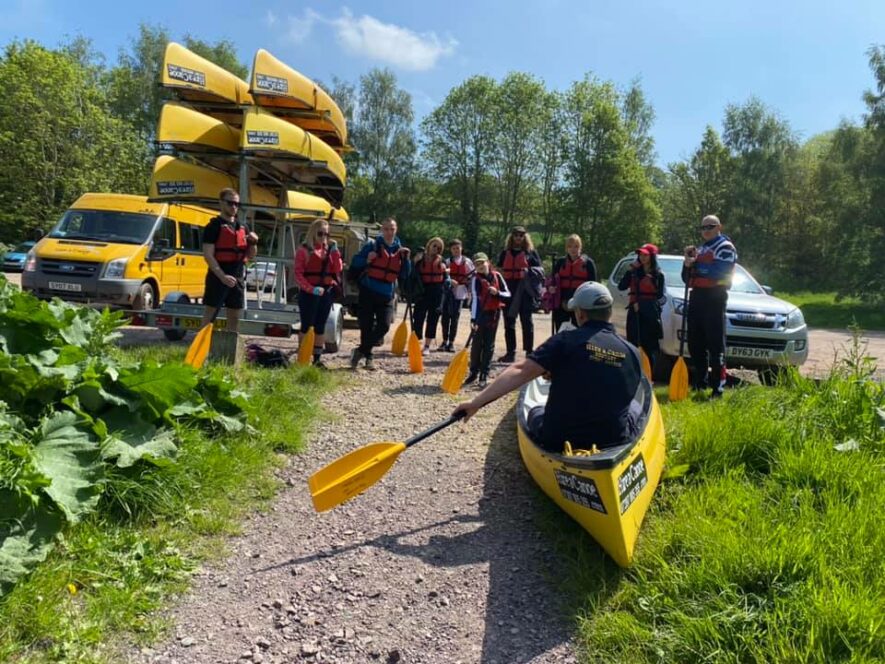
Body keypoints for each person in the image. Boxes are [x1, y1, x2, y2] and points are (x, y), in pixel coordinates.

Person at [454, 281, 643, 452]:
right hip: (612, 439)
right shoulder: (632, 351)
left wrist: (475, 403)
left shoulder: (564, 341)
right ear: (609, 312)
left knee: (536, 411)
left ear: (580, 314)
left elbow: (520, 371)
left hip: (558, 439)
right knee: (634, 406)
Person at [682, 215, 737, 397]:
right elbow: (687, 278)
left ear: (719, 226)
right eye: (703, 227)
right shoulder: (701, 249)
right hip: (697, 297)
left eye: (710, 226)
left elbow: (719, 272)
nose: (706, 230)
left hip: (714, 298)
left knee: (715, 345)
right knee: (695, 343)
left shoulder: (725, 247)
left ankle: (717, 388)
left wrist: (696, 264)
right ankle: (700, 382)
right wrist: (687, 263)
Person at [349, 217, 411, 370]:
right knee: (366, 326)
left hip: (386, 293)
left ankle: (359, 351)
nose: (389, 232)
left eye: (392, 229)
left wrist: (407, 260)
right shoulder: (372, 246)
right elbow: (355, 262)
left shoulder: (401, 251)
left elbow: (405, 274)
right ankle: (368, 357)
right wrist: (367, 260)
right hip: (368, 290)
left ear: (396, 230)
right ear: (382, 230)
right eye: (386, 229)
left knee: (384, 326)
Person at [201, 188, 258, 333]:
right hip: (218, 276)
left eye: (237, 204)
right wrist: (222, 276)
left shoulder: (244, 228)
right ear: (221, 203)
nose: (234, 207)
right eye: (230, 203)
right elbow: (208, 255)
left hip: (237, 277)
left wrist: (253, 242)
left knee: (234, 316)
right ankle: (203, 350)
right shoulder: (213, 226)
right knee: (210, 314)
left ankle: (229, 350)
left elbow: (251, 255)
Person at [293, 218, 342, 368]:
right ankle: (303, 358)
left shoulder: (329, 251)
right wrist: (311, 289)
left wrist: (335, 252)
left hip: (325, 293)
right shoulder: (303, 251)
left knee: (320, 326)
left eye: (326, 234)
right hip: (309, 294)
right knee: (307, 326)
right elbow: (298, 274)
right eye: (320, 234)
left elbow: (337, 270)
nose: (324, 237)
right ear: (313, 233)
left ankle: (317, 360)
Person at [617, 243, 665, 375]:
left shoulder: (658, 275)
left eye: (645, 255)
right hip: (634, 311)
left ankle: (649, 375)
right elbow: (621, 286)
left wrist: (643, 305)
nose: (642, 257)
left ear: (652, 257)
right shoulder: (634, 272)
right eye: (640, 255)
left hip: (650, 313)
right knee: (633, 343)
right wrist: (630, 270)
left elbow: (659, 296)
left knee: (650, 346)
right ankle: (633, 373)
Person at [465, 253, 510, 388]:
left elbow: (508, 294)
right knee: (477, 345)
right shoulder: (475, 280)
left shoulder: (497, 276)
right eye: (476, 264)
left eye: (482, 263)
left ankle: (484, 374)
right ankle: (474, 372)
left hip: (494, 315)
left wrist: (497, 293)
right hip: (480, 315)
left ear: (488, 263)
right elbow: (474, 301)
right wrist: (473, 319)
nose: (479, 266)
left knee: (489, 346)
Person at [497, 226, 541, 363]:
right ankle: (510, 352)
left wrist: (528, 272)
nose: (518, 238)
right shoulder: (505, 253)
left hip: (525, 291)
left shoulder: (531, 253)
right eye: (516, 235)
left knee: (526, 322)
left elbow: (540, 272)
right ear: (512, 237)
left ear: (524, 237)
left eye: (521, 235)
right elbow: (498, 271)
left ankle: (529, 352)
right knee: (509, 322)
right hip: (509, 291)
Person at [550, 234, 597, 331]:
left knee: (579, 330)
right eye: (570, 246)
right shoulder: (560, 263)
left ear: (580, 248)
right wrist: (551, 287)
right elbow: (552, 280)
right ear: (567, 248)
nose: (573, 249)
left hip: (580, 303)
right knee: (561, 330)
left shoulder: (588, 263)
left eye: (576, 246)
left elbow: (593, 285)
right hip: (562, 302)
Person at [411, 236, 449, 355]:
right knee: (418, 317)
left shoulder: (442, 261)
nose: (436, 249)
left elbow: (446, 278)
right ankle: (416, 343)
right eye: (434, 245)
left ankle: (427, 346)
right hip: (422, 291)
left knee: (433, 318)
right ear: (429, 245)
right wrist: (413, 262)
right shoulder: (420, 259)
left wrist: (448, 279)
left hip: (437, 291)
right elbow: (412, 275)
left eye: (439, 247)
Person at [440, 239, 474, 351]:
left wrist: (470, 292)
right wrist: (449, 280)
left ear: (461, 248)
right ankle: (444, 341)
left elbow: (472, 276)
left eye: (458, 248)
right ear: (450, 250)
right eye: (454, 248)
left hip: (460, 293)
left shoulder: (467, 262)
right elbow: (442, 276)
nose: (456, 250)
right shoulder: (447, 261)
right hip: (448, 292)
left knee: (455, 318)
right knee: (445, 317)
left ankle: (451, 342)